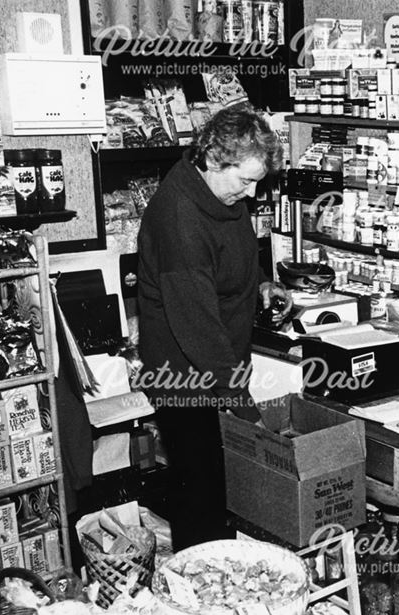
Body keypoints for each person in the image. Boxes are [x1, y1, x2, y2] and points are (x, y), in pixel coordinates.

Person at [137, 104, 290, 551]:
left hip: (217, 366)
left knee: (215, 484)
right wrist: (243, 406)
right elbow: (197, 325)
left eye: (257, 181)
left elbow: (232, 255)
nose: (252, 194)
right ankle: (196, 600)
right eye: (245, 180)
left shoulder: (221, 195)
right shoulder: (181, 216)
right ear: (211, 159)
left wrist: (261, 284)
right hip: (184, 374)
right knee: (201, 493)